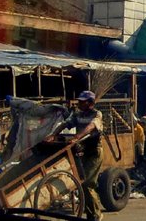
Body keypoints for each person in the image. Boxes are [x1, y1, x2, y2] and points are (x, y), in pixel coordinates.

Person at [50, 91, 103, 221]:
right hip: (83, 151)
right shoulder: (78, 115)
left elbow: (91, 127)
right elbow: (66, 124)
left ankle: (97, 215)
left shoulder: (97, 114)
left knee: (87, 183)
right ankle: (91, 213)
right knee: (80, 182)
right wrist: (54, 134)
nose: (79, 103)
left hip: (95, 152)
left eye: (82, 101)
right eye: (79, 101)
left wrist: (77, 136)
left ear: (90, 103)